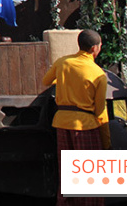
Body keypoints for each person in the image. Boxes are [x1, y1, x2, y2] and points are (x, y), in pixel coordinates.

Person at [42, 29, 110, 206]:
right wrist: (107, 141)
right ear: (95, 48)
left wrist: (64, 81)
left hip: (62, 123)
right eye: (100, 45)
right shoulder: (98, 73)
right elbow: (100, 111)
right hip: (85, 126)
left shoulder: (63, 62)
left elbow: (46, 81)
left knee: (68, 173)